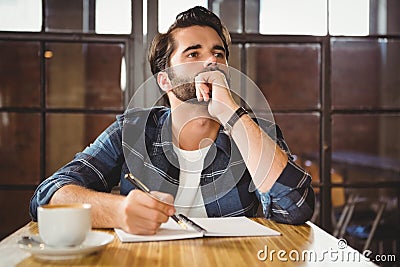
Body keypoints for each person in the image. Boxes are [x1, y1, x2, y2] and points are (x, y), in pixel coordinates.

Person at [30, 6, 314, 235]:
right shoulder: (132, 129)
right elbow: (49, 195)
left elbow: (295, 208)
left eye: (219, 53)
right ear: (165, 80)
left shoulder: (253, 131)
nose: (211, 62)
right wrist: (118, 211)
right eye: (194, 53)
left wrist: (230, 113)